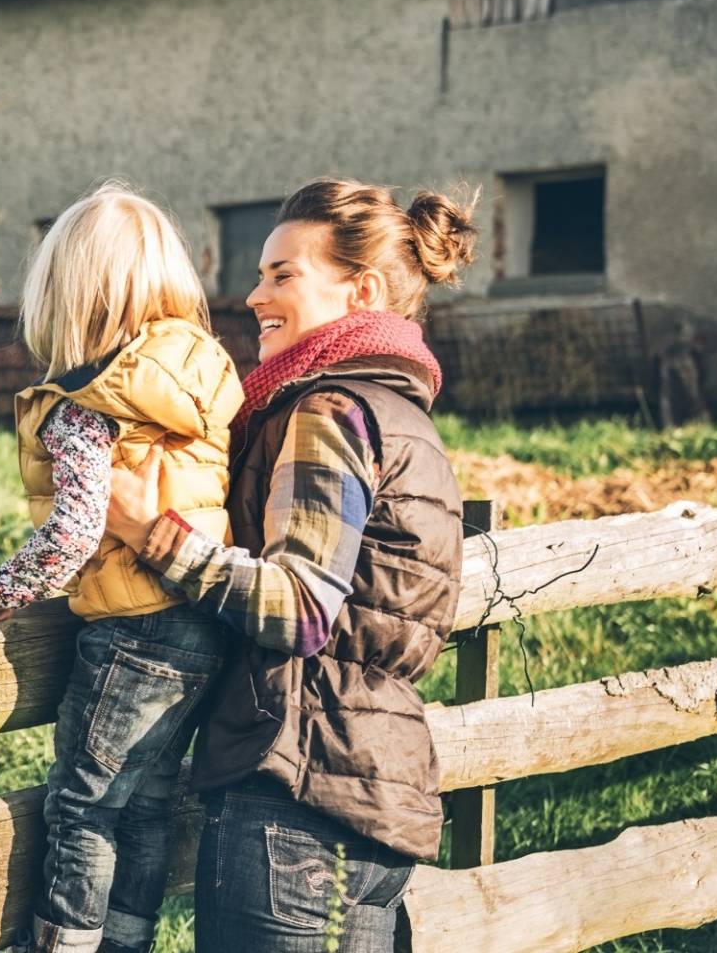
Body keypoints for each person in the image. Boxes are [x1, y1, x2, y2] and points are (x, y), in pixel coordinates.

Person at [104, 178, 477, 952]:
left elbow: (302, 608)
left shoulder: (329, 410)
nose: (252, 295)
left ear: (362, 290)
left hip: (297, 800)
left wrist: (155, 535)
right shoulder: (402, 414)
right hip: (369, 792)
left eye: (283, 275)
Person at [0, 182, 242, 953]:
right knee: (146, 803)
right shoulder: (199, 373)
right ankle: (126, 942)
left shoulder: (91, 400)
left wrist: (1, 591)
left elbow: (77, 526)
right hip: (204, 616)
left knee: (83, 807)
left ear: (66, 294)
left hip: (129, 632)